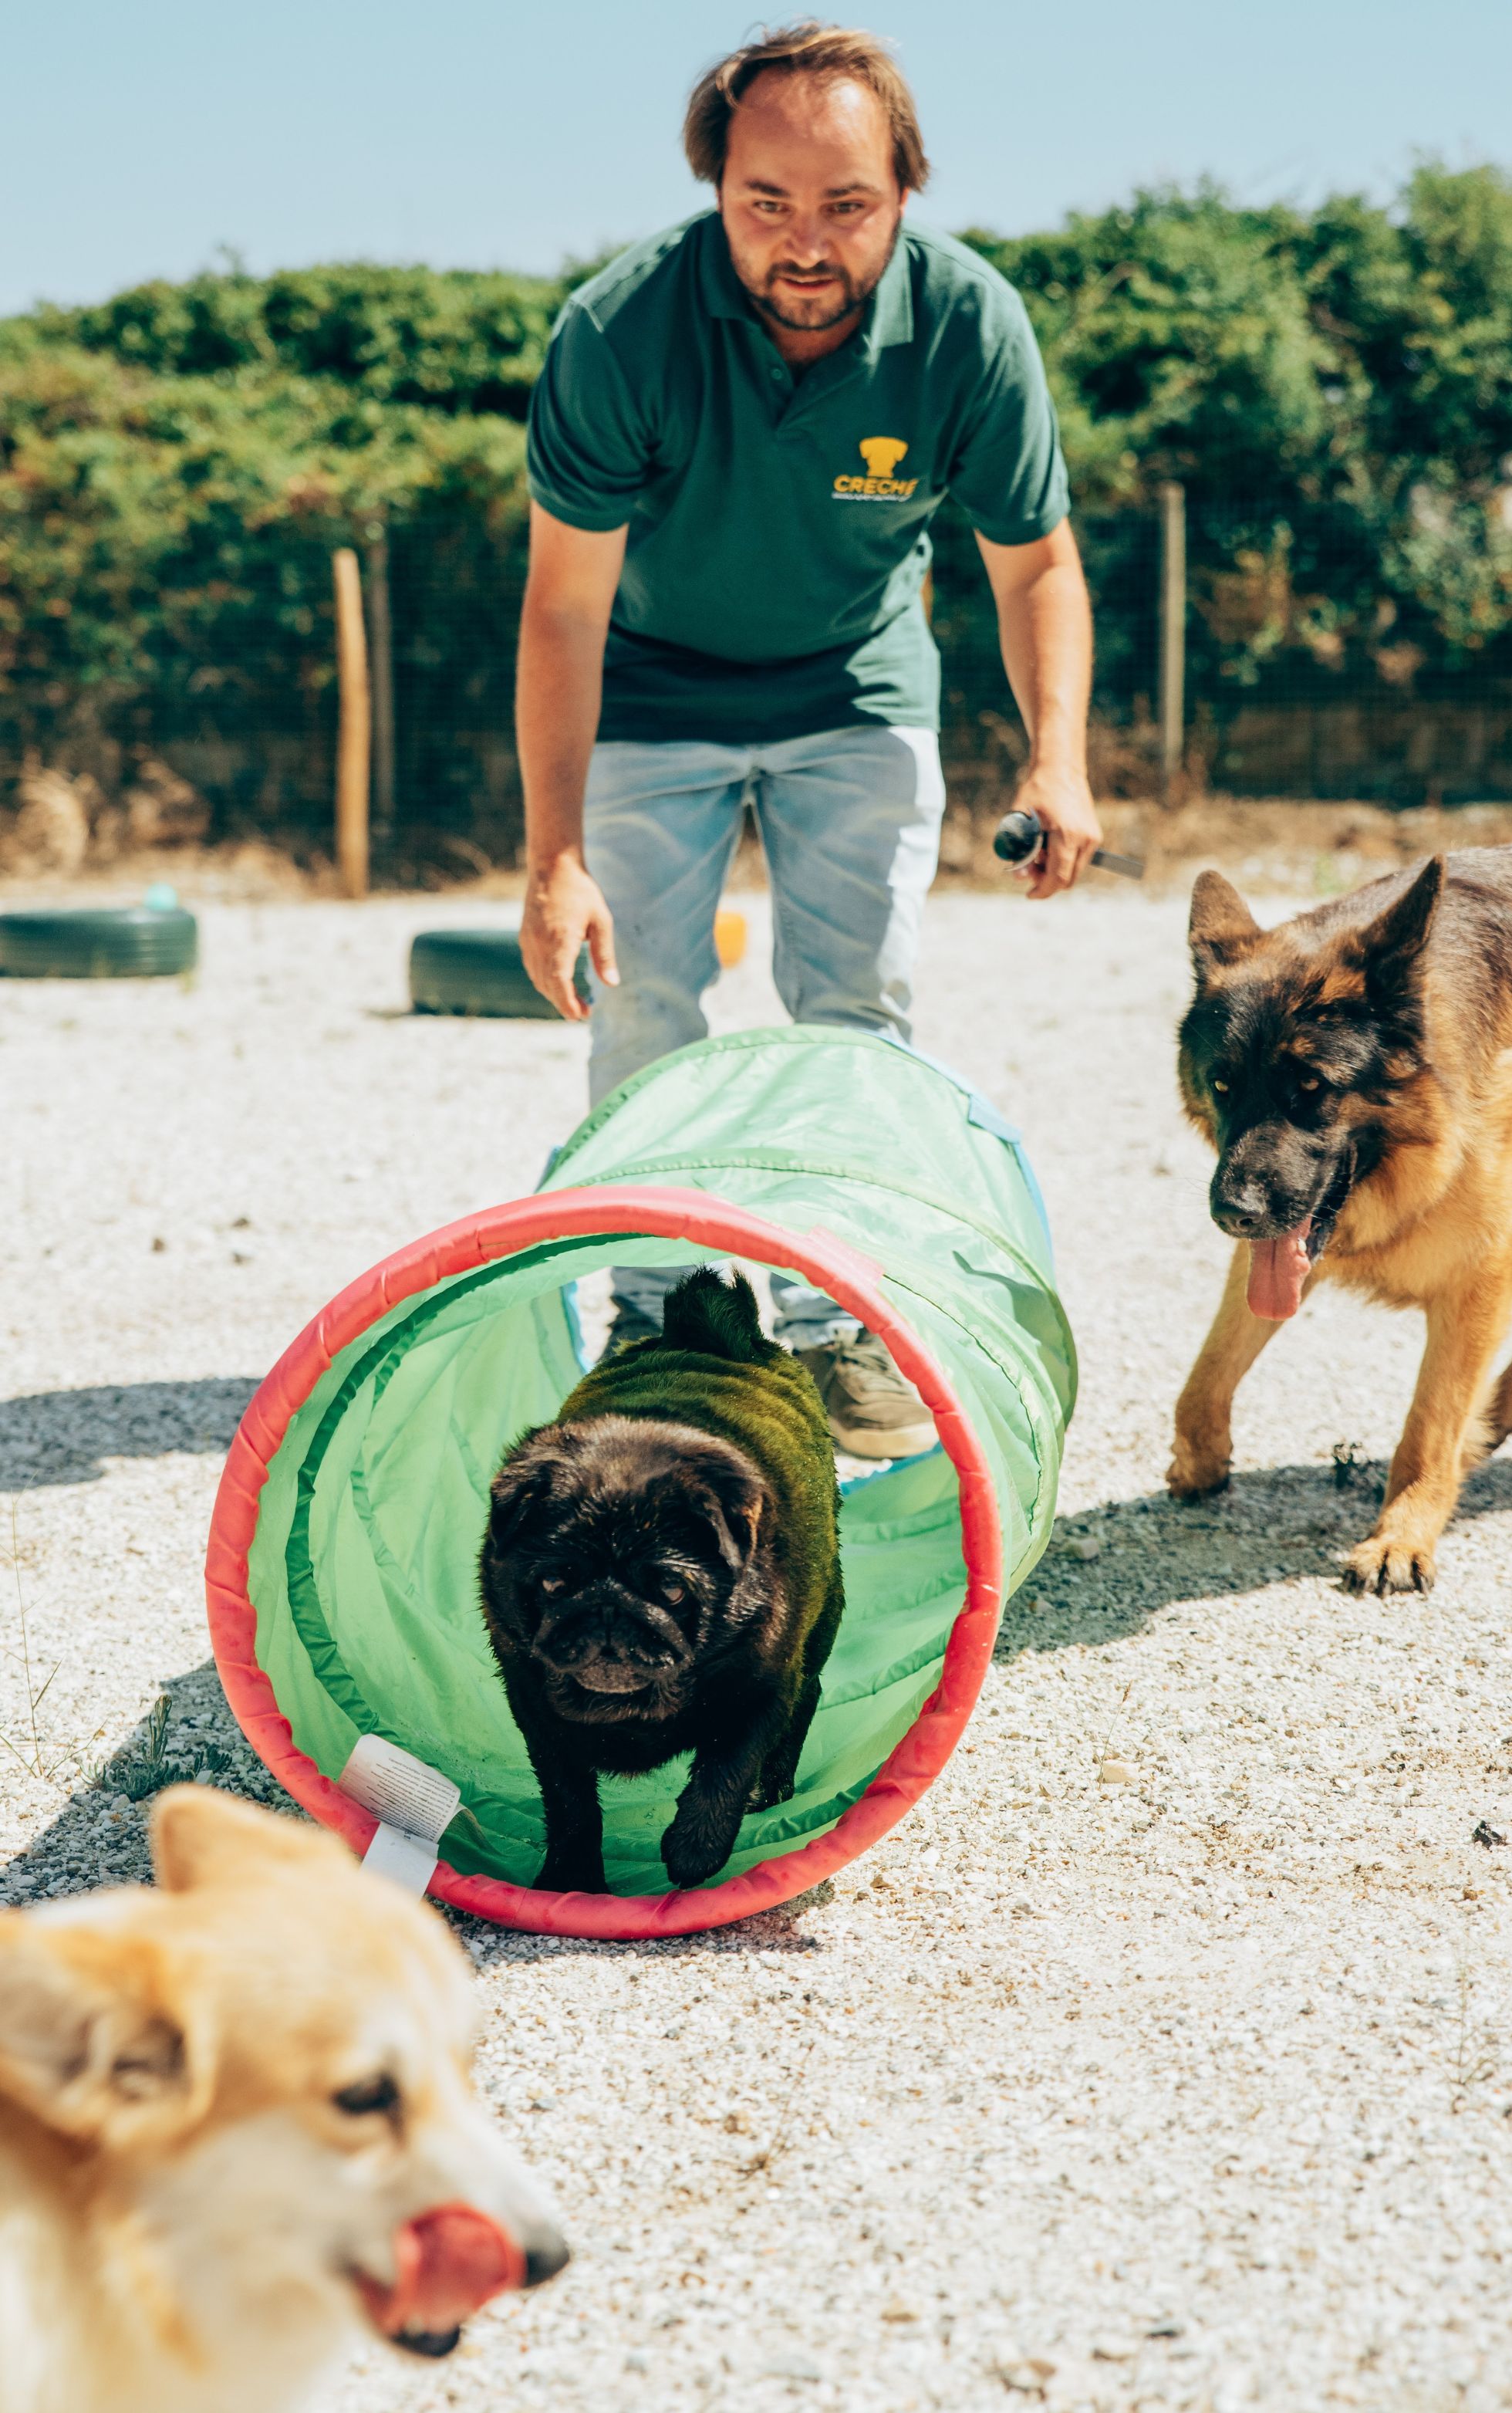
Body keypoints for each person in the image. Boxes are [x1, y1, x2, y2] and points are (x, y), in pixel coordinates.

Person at [516, 18, 1099, 1455]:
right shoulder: (618, 331)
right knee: (644, 1001)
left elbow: (1035, 569)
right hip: (654, 683)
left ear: (905, 189)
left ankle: (845, 1323)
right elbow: (563, 611)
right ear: (716, 188)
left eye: (846, 203)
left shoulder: (969, 327)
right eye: (766, 200)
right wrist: (553, 854)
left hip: (857, 688)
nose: (805, 240)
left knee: (855, 1007)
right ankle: (659, 1317)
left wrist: (1057, 758)